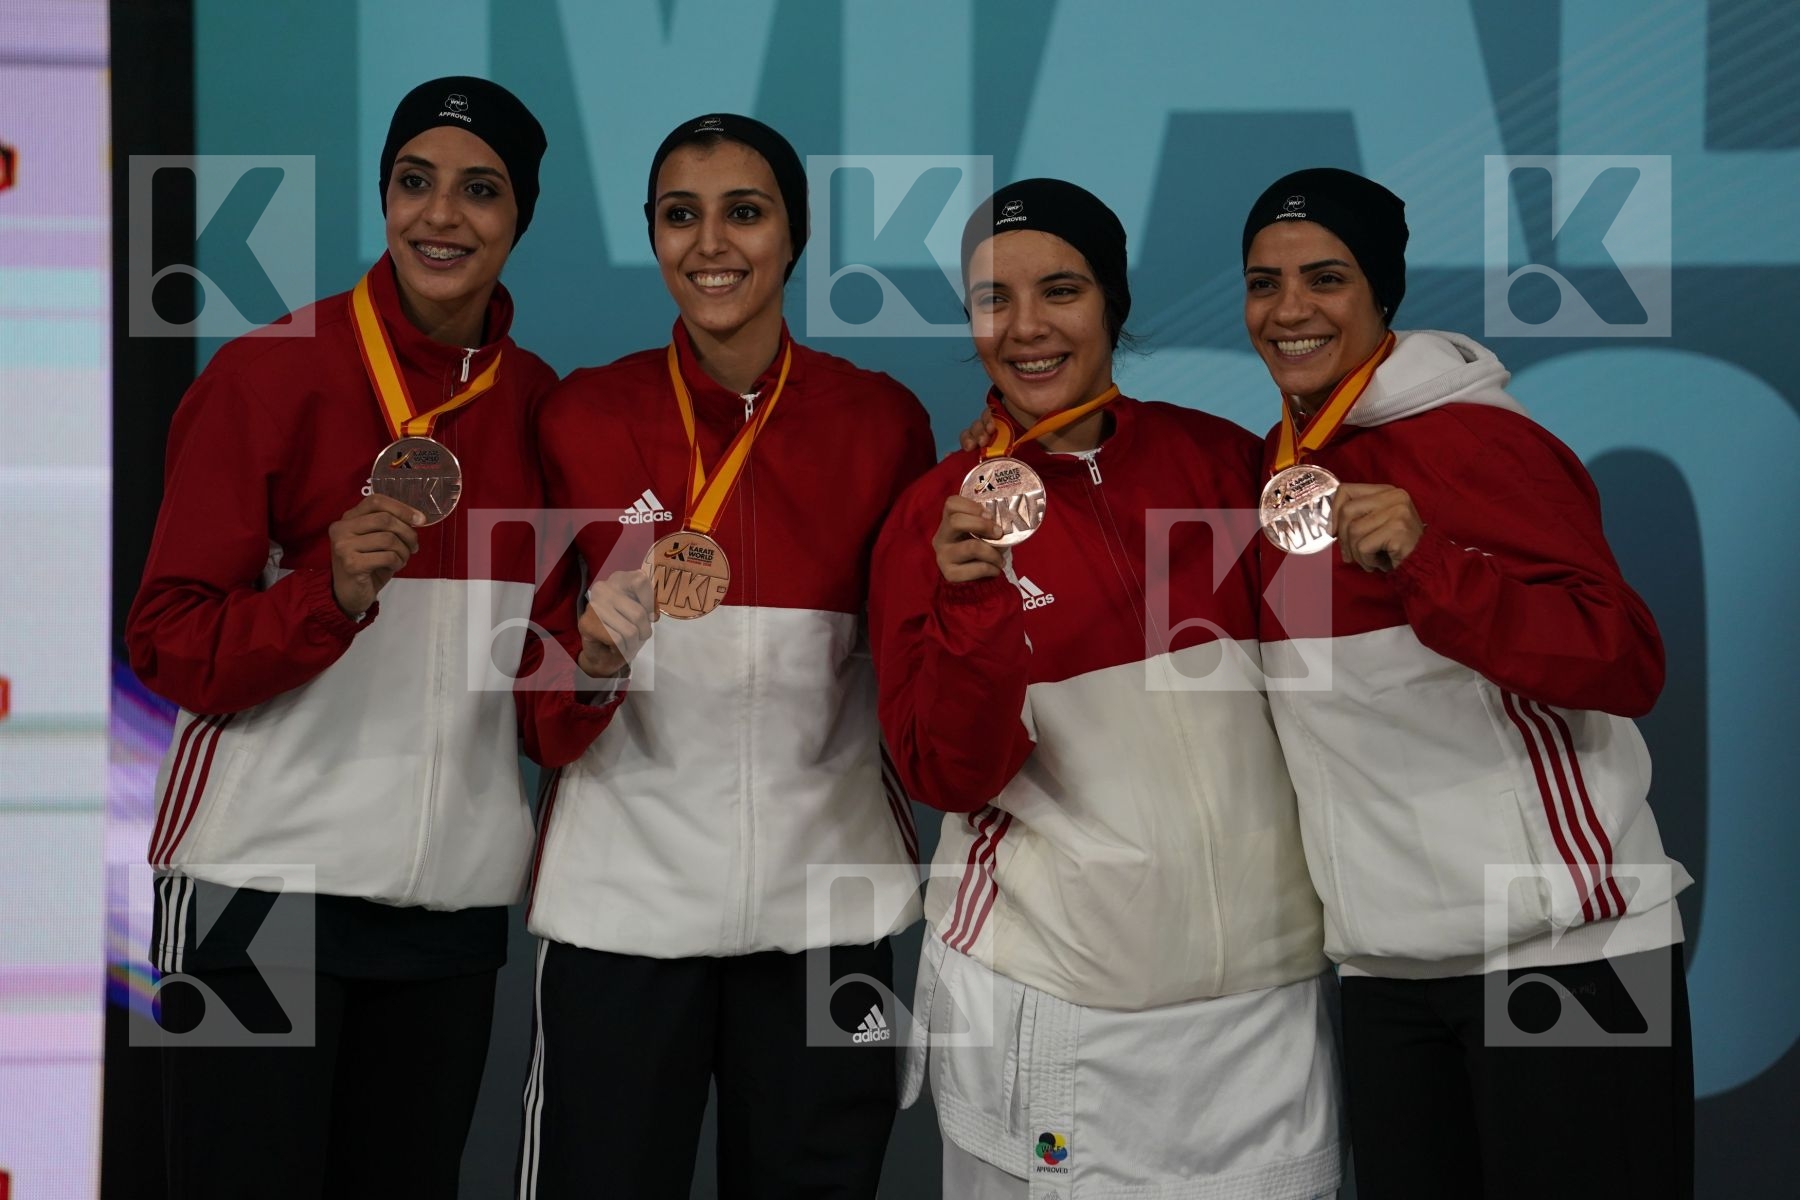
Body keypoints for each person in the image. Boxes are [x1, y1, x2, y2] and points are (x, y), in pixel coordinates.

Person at [870, 178, 1341, 1199]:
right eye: (995, 299)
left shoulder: (1226, 465)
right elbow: (947, 772)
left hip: (1263, 1005)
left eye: (1063, 290)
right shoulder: (934, 519)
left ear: (1114, 306)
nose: (1027, 328)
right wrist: (973, 609)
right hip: (1051, 1002)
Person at [126, 76, 553, 1198]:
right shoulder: (268, 375)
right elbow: (168, 643)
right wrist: (328, 594)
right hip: (255, 889)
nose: (441, 217)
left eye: (480, 191)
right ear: (383, 197)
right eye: (414, 183)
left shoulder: (541, 410)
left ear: (522, 218)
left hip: (448, 907)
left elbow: (542, 679)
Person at [1240, 166, 1694, 1198]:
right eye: (1264, 283)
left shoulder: (1480, 441)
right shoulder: (1279, 470)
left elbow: (1624, 657)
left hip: (1565, 948)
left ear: (1381, 294)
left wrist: (1433, 561)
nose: (1290, 309)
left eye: (1326, 277)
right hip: (1388, 968)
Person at [514, 112, 936, 1199]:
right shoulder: (581, 417)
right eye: (680, 215)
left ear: (793, 236)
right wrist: (594, 660)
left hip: (830, 914)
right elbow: (538, 712)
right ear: (650, 234)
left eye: (744, 213)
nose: (712, 243)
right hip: (624, 909)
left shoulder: (882, 423)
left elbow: (920, 674)